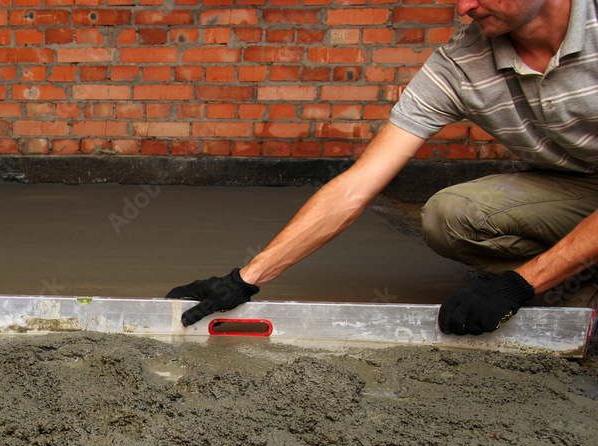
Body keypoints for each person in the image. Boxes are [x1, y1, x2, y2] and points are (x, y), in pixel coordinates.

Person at [167, 0, 598, 335]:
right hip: (578, 188)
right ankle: (579, 268)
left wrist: (522, 283)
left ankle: (563, 273)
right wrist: (245, 279)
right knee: (451, 215)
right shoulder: (460, 65)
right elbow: (356, 187)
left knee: (539, 284)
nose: (463, 8)